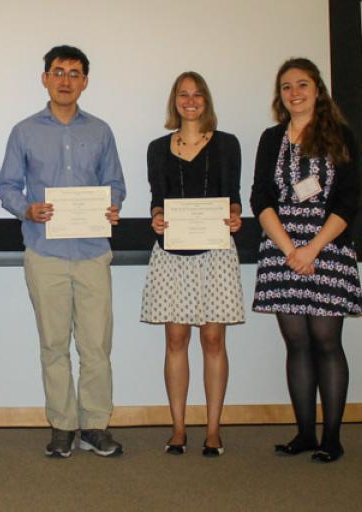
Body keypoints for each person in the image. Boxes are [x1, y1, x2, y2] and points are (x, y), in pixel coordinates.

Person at [0, 45, 126, 458]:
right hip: (45, 252)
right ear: (45, 78)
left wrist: (113, 205)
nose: (66, 80)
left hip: (91, 253)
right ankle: (62, 425)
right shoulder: (24, 131)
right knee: (53, 345)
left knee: (95, 346)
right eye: (58, 72)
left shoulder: (101, 131)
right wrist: (26, 209)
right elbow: (6, 187)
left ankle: (95, 425)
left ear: (85, 81)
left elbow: (116, 184)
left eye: (74, 73)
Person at [251, 58, 361, 463]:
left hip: (327, 248)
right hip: (282, 249)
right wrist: (289, 249)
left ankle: (332, 438)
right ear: (279, 96)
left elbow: (349, 200)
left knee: (327, 342)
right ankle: (304, 435)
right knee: (295, 344)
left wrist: (311, 249)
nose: (294, 92)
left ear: (318, 89)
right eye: (286, 87)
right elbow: (260, 197)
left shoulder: (340, 135)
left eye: (302, 84)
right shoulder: (270, 138)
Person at [140, 72, 244, 457]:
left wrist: (235, 215)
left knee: (214, 340)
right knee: (176, 340)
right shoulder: (156, 147)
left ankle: (213, 429)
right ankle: (179, 428)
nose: (190, 100)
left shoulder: (227, 144)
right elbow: (157, 197)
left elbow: (233, 197)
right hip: (171, 254)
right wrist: (155, 217)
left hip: (215, 253)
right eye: (183, 94)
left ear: (207, 101)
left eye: (198, 94)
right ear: (174, 101)